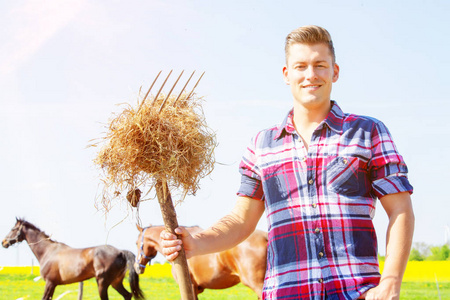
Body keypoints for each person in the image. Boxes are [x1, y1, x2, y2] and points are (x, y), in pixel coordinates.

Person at [160, 25, 414, 300]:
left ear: (335, 72)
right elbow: (241, 219)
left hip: (355, 293)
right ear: (286, 74)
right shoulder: (261, 145)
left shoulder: (368, 132)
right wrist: (196, 241)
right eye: (301, 66)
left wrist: (390, 282)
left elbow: (400, 210)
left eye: (320, 65)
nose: (311, 75)